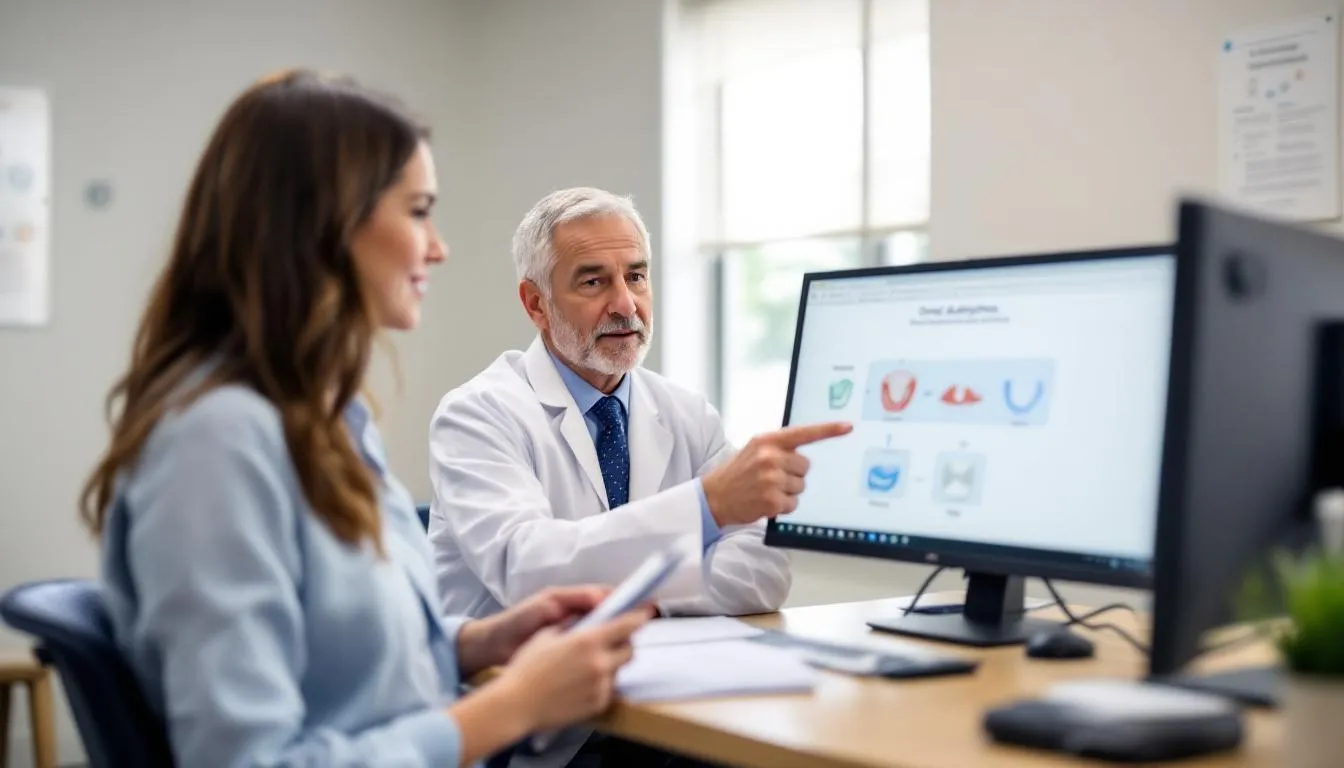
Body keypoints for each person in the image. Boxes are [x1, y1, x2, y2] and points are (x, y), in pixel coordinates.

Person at [79, 71, 650, 768]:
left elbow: (333, 656)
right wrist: (512, 707)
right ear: (323, 225)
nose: (437, 247)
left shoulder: (327, 418)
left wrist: (479, 642)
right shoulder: (217, 441)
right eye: (417, 212)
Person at [426, 187, 851, 764]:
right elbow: (531, 571)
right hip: (525, 735)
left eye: (638, 276)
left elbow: (762, 567)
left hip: (659, 713)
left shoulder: (684, 411)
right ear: (535, 303)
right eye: (594, 281)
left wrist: (640, 603)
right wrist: (706, 511)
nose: (626, 304)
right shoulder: (477, 414)